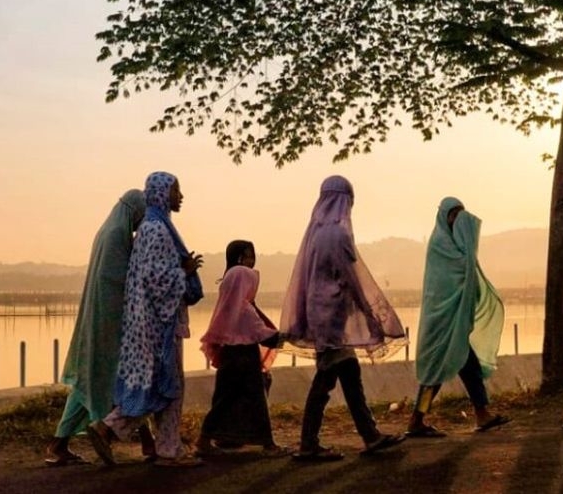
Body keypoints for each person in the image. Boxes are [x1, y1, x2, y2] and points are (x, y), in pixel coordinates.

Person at [281, 176, 407, 459]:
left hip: (321, 313)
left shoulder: (315, 232)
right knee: (325, 380)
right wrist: (370, 311)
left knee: (349, 373)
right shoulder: (338, 235)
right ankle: (308, 444)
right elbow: (351, 277)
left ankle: (370, 435)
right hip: (332, 317)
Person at [88, 171, 205, 467]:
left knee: (158, 387)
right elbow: (156, 279)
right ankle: (154, 444)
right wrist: (185, 272)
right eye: (176, 191)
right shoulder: (156, 230)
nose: (180, 196)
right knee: (168, 386)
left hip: (152, 323)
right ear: (162, 193)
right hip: (157, 326)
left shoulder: (153, 227)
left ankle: (121, 432)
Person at [44, 189, 150, 466]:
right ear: (134, 212)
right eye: (141, 215)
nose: (142, 222)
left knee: (91, 382)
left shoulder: (110, 231)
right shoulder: (116, 236)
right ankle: (131, 438)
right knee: (123, 380)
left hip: (103, 318)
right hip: (109, 320)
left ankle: (60, 443)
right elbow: (115, 280)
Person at [406, 197, 510, 437]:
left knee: (468, 365)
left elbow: (467, 270)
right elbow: (451, 277)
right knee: (434, 374)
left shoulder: (457, 245)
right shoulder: (440, 246)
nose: (458, 220)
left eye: (461, 214)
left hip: (454, 323)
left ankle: (481, 413)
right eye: (454, 215)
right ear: (444, 217)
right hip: (440, 322)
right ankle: (417, 419)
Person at [196, 240, 287, 457]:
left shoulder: (229, 303)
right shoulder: (244, 309)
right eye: (247, 258)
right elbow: (260, 333)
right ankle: (268, 443)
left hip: (230, 355)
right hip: (244, 357)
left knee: (224, 400)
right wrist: (283, 336)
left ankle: (208, 439)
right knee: (256, 399)